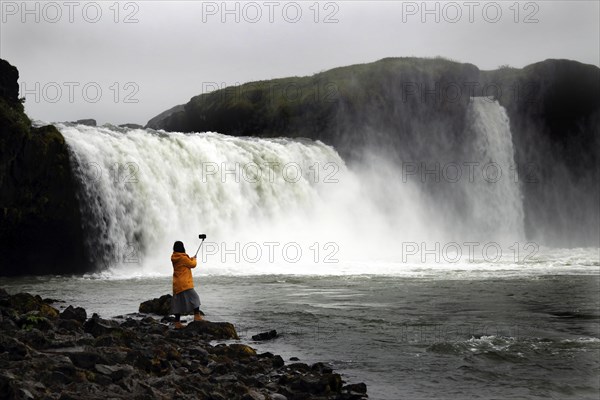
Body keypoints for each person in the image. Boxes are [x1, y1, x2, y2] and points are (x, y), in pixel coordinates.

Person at [171, 240, 202, 328]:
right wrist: (194, 259)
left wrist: (190, 258)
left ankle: (177, 323)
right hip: (185, 283)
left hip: (177, 284)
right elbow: (192, 264)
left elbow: (186, 263)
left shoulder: (174, 257)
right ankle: (197, 316)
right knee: (195, 298)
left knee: (178, 303)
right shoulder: (183, 258)